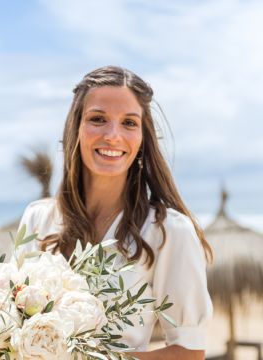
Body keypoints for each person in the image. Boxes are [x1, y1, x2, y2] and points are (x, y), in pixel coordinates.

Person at [18, 65, 213, 360]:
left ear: (142, 138)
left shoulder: (169, 232)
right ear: (76, 128)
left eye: (129, 123)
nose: (113, 135)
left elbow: (189, 352)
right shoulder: (37, 219)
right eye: (98, 119)